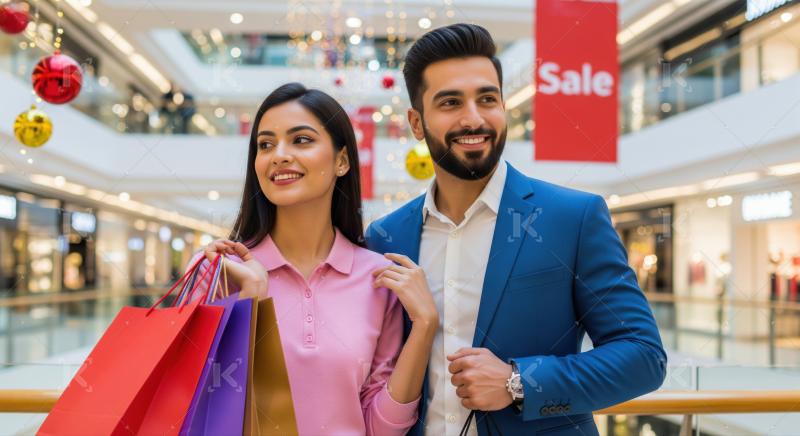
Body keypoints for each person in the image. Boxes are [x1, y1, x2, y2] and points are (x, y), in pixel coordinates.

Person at [365, 23, 667, 436]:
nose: (474, 118)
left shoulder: (572, 218)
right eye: (450, 102)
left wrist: (518, 381)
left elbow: (643, 357)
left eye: (487, 99)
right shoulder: (385, 236)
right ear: (417, 123)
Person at [201, 82, 438, 435]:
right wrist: (251, 299)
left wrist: (424, 327)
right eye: (266, 144)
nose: (279, 154)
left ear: (342, 161)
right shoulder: (221, 270)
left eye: (301, 140)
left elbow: (381, 428)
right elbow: (206, 406)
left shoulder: (378, 278)